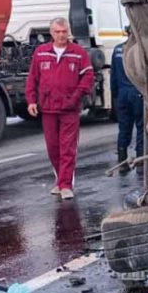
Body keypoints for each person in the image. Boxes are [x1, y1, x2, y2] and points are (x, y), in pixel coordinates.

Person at [26, 17, 95, 200]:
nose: (61, 35)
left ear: (68, 32)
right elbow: (33, 78)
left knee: (68, 148)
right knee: (53, 148)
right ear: (51, 33)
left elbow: (88, 77)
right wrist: (31, 101)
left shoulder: (78, 53)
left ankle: (65, 184)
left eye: (64, 32)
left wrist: (75, 98)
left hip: (69, 109)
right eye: (57, 32)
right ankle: (60, 179)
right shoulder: (41, 52)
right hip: (48, 108)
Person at [111, 34, 145, 174]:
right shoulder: (139, 49)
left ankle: (122, 161)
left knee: (124, 128)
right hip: (137, 92)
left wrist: (115, 95)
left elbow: (113, 75)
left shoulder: (117, 49)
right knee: (141, 127)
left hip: (122, 94)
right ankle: (141, 162)